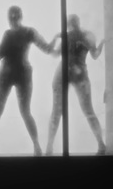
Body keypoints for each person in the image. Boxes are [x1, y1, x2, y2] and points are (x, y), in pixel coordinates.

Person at [0, 6, 56, 156]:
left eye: (13, 17)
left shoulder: (13, 33)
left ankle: (36, 147)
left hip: (9, 74)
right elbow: (47, 49)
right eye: (12, 17)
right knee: (22, 112)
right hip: (20, 74)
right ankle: (37, 147)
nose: (12, 20)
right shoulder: (28, 32)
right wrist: (55, 40)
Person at [46, 14, 107, 155]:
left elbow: (54, 54)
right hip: (77, 74)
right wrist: (102, 43)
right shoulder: (84, 37)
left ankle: (49, 147)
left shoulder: (69, 36)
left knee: (58, 112)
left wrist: (55, 39)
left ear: (69, 24)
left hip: (65, 73)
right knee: (87, 110)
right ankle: (100, 144)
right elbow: (95, 54)